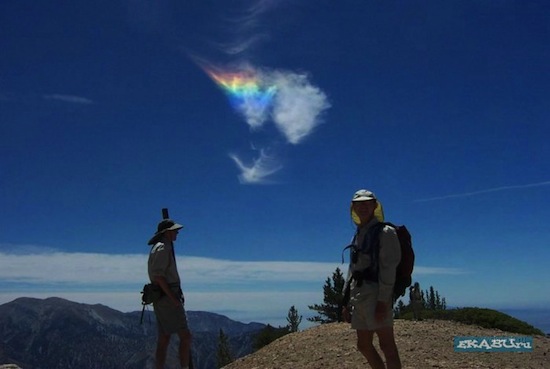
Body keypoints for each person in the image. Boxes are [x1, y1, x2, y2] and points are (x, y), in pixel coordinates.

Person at [342, 189, 402, 369]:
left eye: (367, 203)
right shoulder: (359, 233)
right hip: (359, 295)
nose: (363, 207)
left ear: (375, 205)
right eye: (359, 204)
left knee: (387, 345)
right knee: (363, 345)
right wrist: (345, 300)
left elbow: (388, 269)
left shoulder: (385, 232)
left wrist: (383, 301)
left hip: (376, 294)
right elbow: (352, 269)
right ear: (353, 207)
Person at [147, 218, 192, 369]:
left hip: (162, 297)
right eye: (175, 230)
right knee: (185, 336)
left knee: (164, 337)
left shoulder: (159, 247)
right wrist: (173, 298)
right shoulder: (163, 248)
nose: (177, 233)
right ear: (167, 232)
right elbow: (159, 276)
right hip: (167, 296)